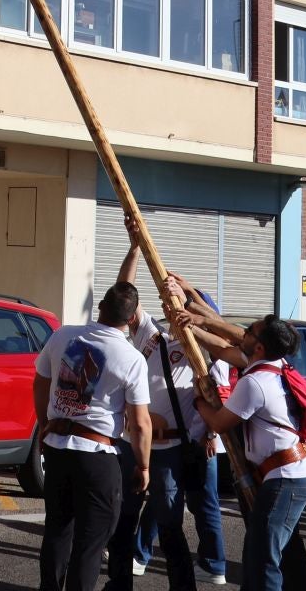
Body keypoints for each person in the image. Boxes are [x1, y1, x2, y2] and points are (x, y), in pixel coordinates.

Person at [113, 229, 229, 590]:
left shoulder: (206, 349)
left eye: (175, 302)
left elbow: (218, 393)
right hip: (134, 445)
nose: (169, 306)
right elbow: (122, 295)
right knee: (122, 522)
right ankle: (117, 584)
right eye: (166, 302)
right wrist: (134, 250)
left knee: (169, 527)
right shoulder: (152, 336)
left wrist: (209, 433)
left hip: (172, 451)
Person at [32, 281, 152, 591]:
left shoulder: (63, 335)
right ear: (131, 319)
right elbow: (140, 423)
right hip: (97, 455)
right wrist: (144, 465)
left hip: (58, 447)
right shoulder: (130, 357)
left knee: (58, 529)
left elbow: (40, 381)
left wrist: (45, 423)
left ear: (100, 306)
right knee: (91, 540)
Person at [187, 313, 306, 591]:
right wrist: (192, 327)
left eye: (249, 332)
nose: (242, 334)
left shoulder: (254, 381)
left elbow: (220, 422)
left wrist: (199, 401)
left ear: (259, 347)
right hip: (290, 470)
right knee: (278, 551)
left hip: (285, 475)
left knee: (262, 558)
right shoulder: (275, 364)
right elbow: (222, 348)